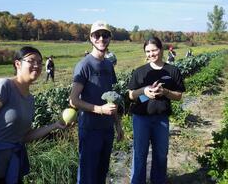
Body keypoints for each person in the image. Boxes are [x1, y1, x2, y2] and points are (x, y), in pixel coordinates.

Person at [0, 46, 65, 184]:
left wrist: (55, 125)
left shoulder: (30, 99)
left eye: (39, 62)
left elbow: (23, 137)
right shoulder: (4, 87)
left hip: (10, 170)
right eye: (32, 61)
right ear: (18, 64)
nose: (37, 66)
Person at [69, 20, 124, 184]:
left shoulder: (108, 65)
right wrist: (100, 109)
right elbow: (73, 100)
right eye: (97, 35)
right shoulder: (84, 65)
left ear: (109, 38)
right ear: (91, 38)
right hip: (90, 129)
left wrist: (118, 124)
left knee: (102, 172)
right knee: (87, 174)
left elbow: (112, 98)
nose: (101, 38)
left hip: (107, 129)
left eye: (105, 35)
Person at [128, 36, 185, 184]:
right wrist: (144, 91)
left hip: (161, 119)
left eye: (154, 50)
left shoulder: (172, 71)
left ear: (161, 49)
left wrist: (165, 92)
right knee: (140, 154)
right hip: (141, 119)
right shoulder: (139, 72)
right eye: (148, 51)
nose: (151, 54)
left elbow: (179, 96)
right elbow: (130, 95)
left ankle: (158, 180)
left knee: (161, 154)